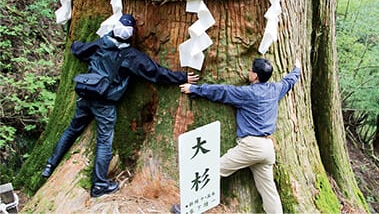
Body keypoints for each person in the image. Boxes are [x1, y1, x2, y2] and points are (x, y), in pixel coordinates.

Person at [41, 14, 199, 198]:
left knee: (71, 130)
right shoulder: (131, 56)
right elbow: (155, 73)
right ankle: (99, 185)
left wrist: (74, 42)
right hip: (104, 103)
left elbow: (78, 50)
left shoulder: (101, 43)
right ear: (132, 35)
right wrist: (182, 77)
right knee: (104, 142)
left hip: (85, 95)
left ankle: (49, 165)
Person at [179, 58, 300, 213]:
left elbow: (222, 91)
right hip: (268, 149)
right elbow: (288, 81)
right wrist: (297, 69)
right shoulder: (275, 89)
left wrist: (195, 89)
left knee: (212, 170)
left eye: (251, 70)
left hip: (251, 147)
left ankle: (187, 206)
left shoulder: (248, 93)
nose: (248, 72)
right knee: (269, 191)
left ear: (255, 76)